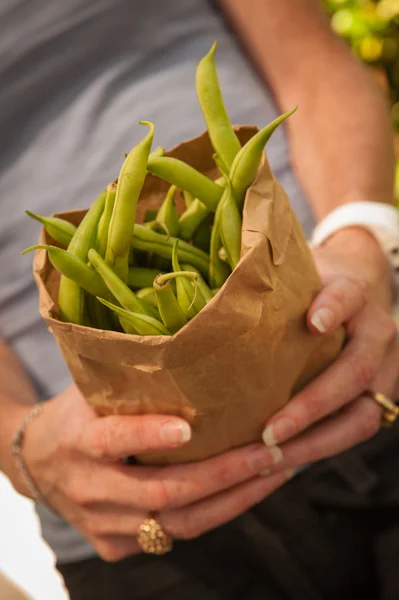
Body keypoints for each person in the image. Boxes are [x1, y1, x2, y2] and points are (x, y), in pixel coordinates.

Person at [1, 0, 399, 598]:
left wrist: (365, 238)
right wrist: (18, 441)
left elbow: (309, 61)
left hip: (348, 342)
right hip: (134, 506)